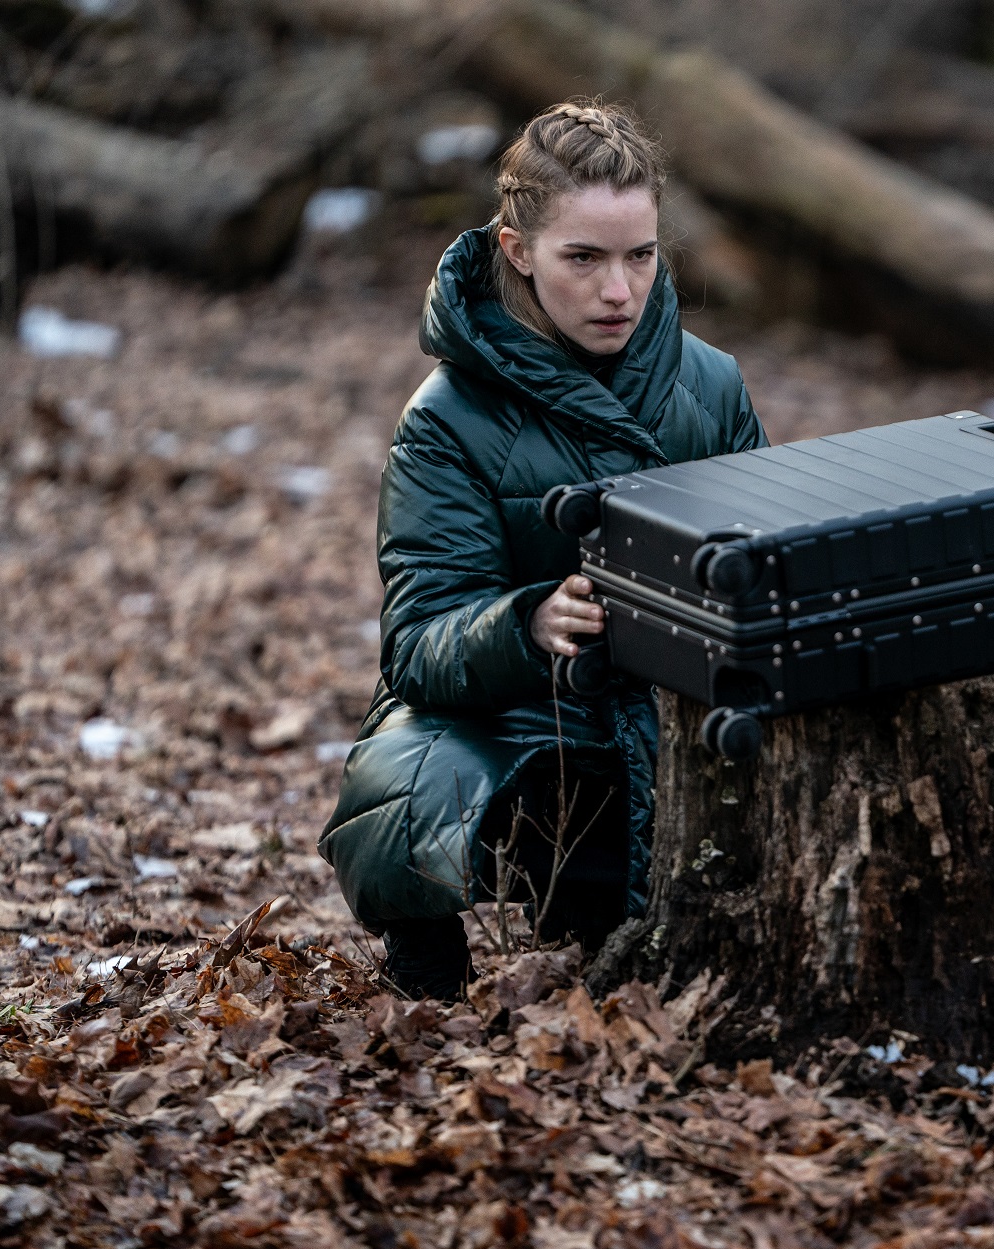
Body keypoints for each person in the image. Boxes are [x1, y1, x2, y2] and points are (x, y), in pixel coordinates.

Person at [319, 101, 768, 999]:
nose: (620, 291)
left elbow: (763, 565)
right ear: (518, 250)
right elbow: (419, 642)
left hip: (679, 717)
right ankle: (428, 964)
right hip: (529, 730)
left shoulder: (712, 384)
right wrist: (529, 623)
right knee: (409, 776)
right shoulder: (447, 419)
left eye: (641, 256)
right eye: (584, 258)